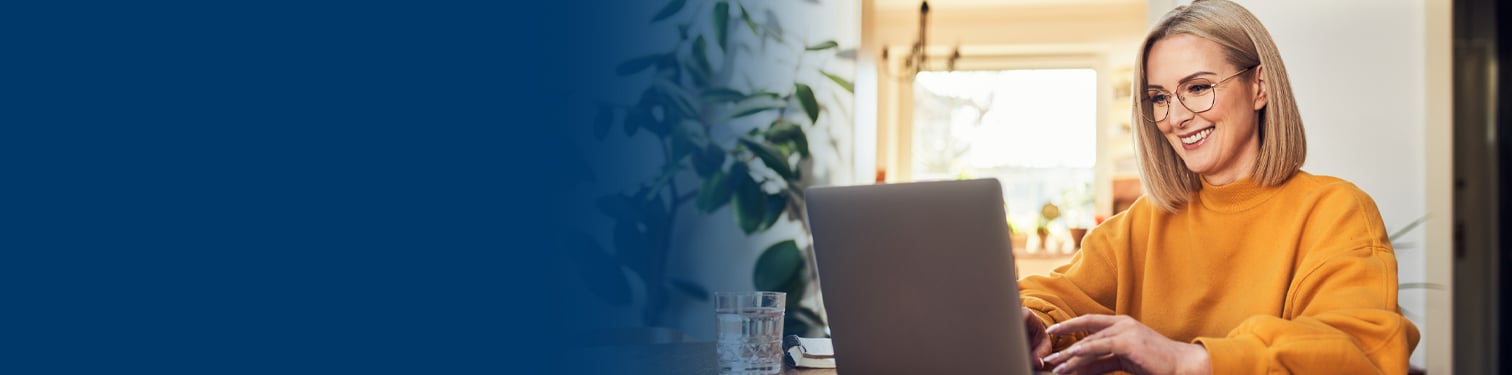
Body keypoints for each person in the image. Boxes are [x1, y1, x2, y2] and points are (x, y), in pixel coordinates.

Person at [1017, 1, 1420, 374]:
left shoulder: (1334, 210)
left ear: (1259, 87)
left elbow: (1356, 351)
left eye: (1197, 88)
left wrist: (1189, 360)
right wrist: (1034, 322)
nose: (1175, 117)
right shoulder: (1142, 223)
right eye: (1159, 97)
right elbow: (1055, 295)